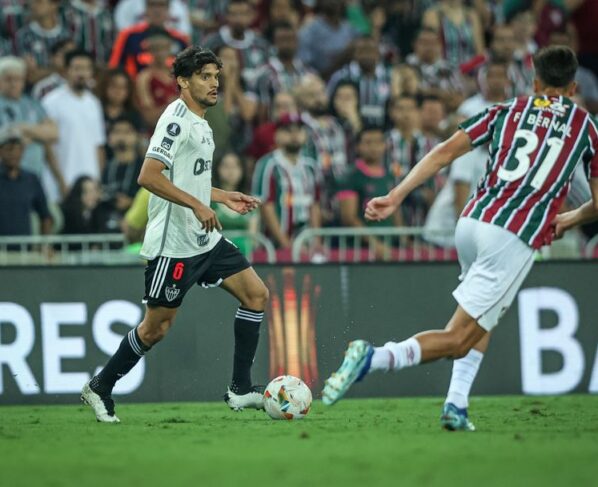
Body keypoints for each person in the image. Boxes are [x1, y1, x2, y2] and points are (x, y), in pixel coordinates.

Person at [321, 46, 598, 431]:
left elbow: (442, 153)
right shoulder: (585, 127)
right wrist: (567, 219)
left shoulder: (506, 110)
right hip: (513, 235)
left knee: (482, 319)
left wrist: (396, 194)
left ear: (534, 83)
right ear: (573, 88)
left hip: (471, 222)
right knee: (457, 338)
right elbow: (596, 205)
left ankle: (456, 404)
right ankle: (374, 357)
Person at [81, 46, 268, 423]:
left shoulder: (202, 119)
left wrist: (219, 196)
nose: (214, 83)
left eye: (216, 76)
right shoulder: (176, 120)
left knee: (256, 294)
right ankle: (100, 386)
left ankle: (240, 388)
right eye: (205, 76)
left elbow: (190, 178)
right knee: (156, 329)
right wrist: (198, 206)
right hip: (174, 246)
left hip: (206, 239)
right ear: (183, 81)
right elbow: (149, 176)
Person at [42, 50, 106, 203]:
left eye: (86, 68)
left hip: (89, 187)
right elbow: (47, 147)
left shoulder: (94, 103)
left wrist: (97, 182)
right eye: (77, 68)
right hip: (60, 185)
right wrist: (61, 182)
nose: (82, 73)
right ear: (66, 71)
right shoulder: (51, 102)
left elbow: (99, 147)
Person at [251, 113, 321, 249]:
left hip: (306, 239)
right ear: (277, 135)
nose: (294, 135)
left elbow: (314, 204)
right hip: (275, 244)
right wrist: (285, 244)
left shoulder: (310, 166)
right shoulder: (268, 164)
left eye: (299, 130)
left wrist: (316, 240)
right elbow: (265, 206)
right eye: (288, 131)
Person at [0, 55, 65, 196]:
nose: (13, 84)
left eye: (17, 79)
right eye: (8, 79)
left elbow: (53, 133)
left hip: (34, 177)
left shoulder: (33, 104)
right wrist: (35, 133)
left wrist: (24, 128)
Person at [337, 125, 399, 259]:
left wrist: (406, 241)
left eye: (378, 142)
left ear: (385, 145)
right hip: (360, 252)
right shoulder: (350, 176)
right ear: (358, 147)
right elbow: (349, 218)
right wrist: (375, 245)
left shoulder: (390, 176)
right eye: (368, 142)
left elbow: (396, 211)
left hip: (389, 246)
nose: (373, 147)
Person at [109, 0, 189, 80]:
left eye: (161, 5)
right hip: (135, 87)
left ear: (168, 9)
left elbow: (188, 73)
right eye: (152, 5)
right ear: (145, 8)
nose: (156, 10)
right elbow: (114, 69)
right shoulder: (128, 36)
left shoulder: (180, 40)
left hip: (171, 89)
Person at [203, 0, 271, 90]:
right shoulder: (212, 42)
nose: (238, 19)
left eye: (243, 14)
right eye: (234, 14)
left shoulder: (260, 45)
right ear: (226, 16)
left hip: (254, 97)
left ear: (251, 16)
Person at [327, 34, 392, 127]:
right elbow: (330, 104)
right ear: (355, 54)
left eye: (370, 51)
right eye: (362, 51)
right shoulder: (341, 77)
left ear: (378, 53)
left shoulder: (389, 76)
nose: (367, 55)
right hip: (348, 130)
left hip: (382, 132)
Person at [0, 126, 52, 236]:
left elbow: (45, 215)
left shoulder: (31, 179)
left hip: (24, 249)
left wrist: (45, 243)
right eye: (9, 148)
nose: (13, 153)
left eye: (17, 148)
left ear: (23, 150)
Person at [213, 152, 258, 256]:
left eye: (235, 166)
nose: (231, 171)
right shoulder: (209, 201)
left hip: (244, 258)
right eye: (226, 166)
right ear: (217, 169)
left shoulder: (250, 202)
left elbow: (253, 240)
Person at [14, 0, 70, 83]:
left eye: (39, 2)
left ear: (53, 5)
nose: (33, 6)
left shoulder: (66, 36)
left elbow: (69, 71)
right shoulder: (23, 36)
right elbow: (30, 76)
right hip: (33, 92)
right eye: (32, 2)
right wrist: (57, 70)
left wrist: (43, 71)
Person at [135, 27, 180, 128]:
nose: (160, 53)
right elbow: (149, 118)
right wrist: (174, 104)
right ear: (149, 50)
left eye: (164, 48)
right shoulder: (144, 78)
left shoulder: (178, 75)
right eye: (156, 49)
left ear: (170, 48)